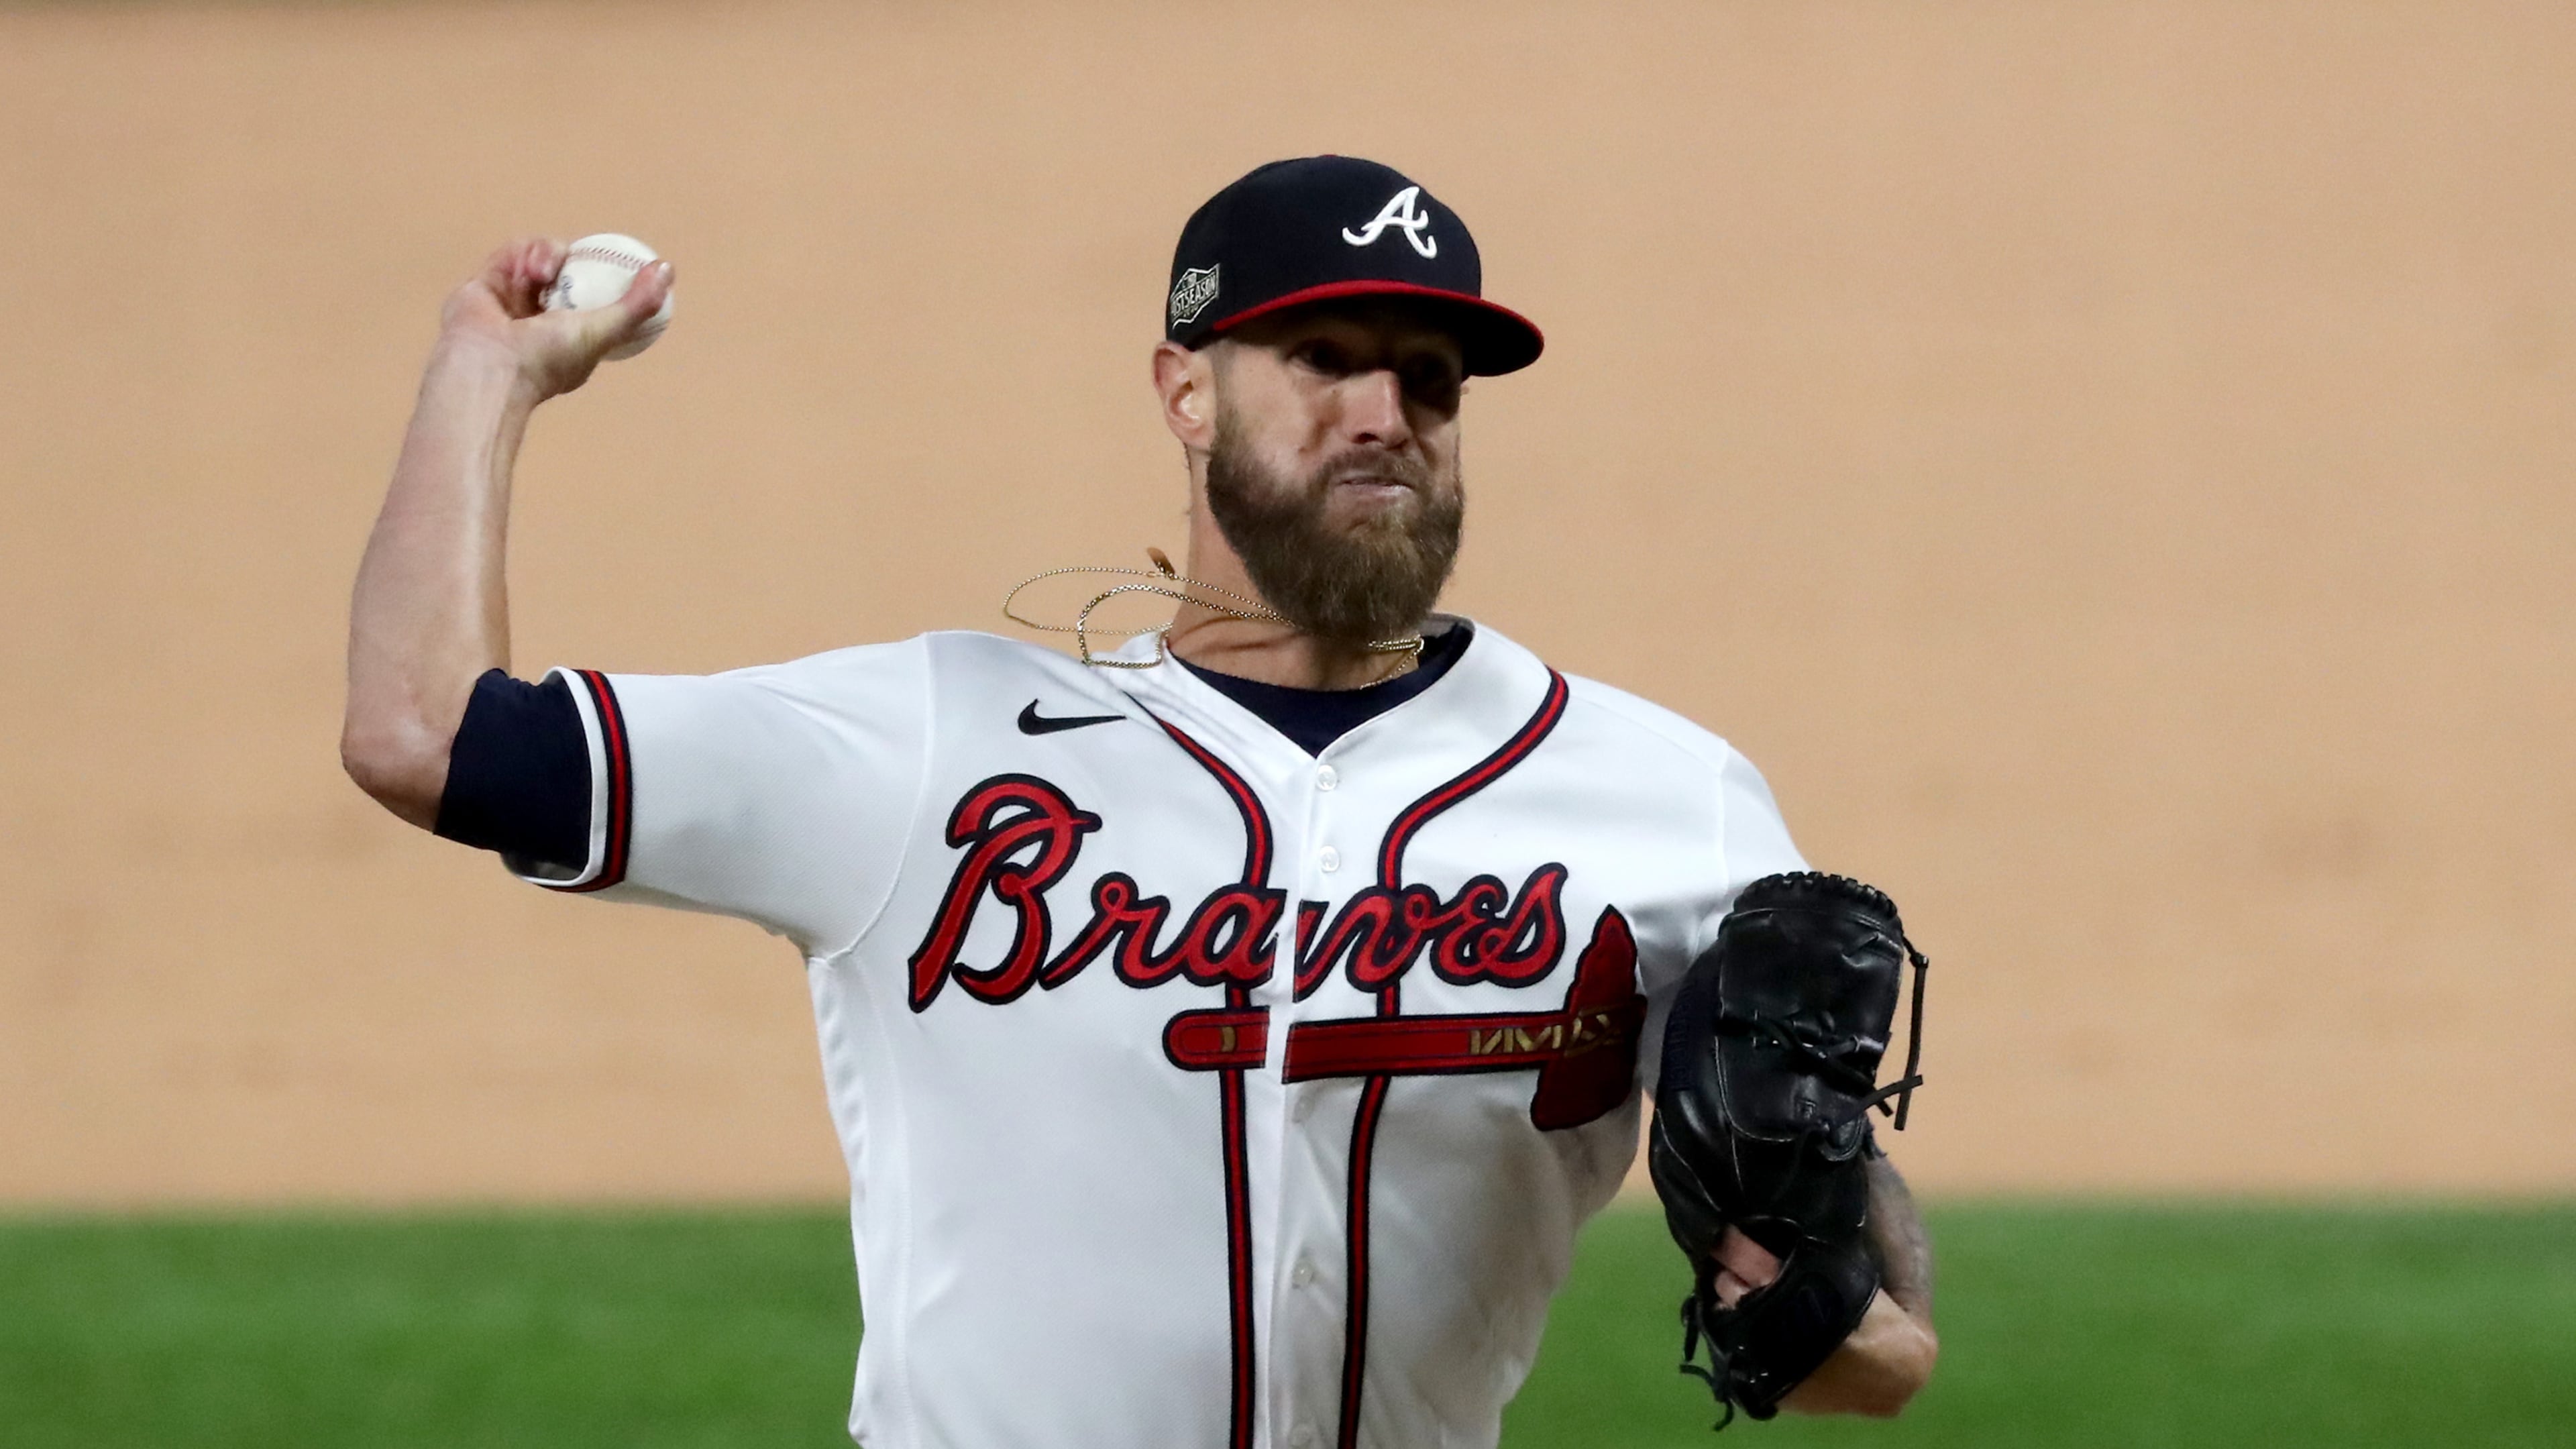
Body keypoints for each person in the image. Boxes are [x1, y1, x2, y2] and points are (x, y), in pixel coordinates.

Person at [341, 155, 1936, 1449]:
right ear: (1186, 392)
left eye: (1431, 379)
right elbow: (427, 737)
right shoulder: (933, 745)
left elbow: (1867, 1345)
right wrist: (486, 380)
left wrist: (1828, 1311)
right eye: (1321, 361)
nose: (1385, 411)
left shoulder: (1662, 801)